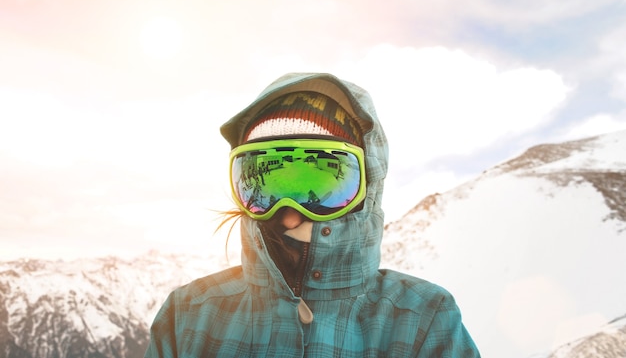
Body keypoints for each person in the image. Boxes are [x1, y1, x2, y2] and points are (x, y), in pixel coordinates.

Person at [144, 72, 481, 357]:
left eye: (319, 183)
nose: (289, 214)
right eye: (267, 183)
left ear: (367, 188)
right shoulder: (189, 315)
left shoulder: (421, 320)